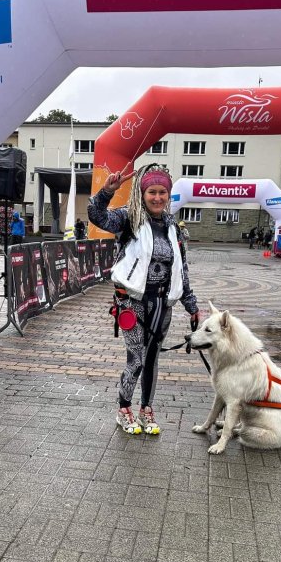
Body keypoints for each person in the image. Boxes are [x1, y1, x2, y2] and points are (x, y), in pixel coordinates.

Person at [88, 163, 200, 436]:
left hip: (163, 304)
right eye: (152, 191)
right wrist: (106, 192)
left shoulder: (174, 227)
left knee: (151, 359)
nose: (158, 197)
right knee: (136, 359)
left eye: (163, 192)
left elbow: (181, 269)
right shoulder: (129, 218)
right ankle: (123, 408)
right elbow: (96, 216)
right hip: (132, 303)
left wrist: (192, 305)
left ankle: (146, 409)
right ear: (143, 192)